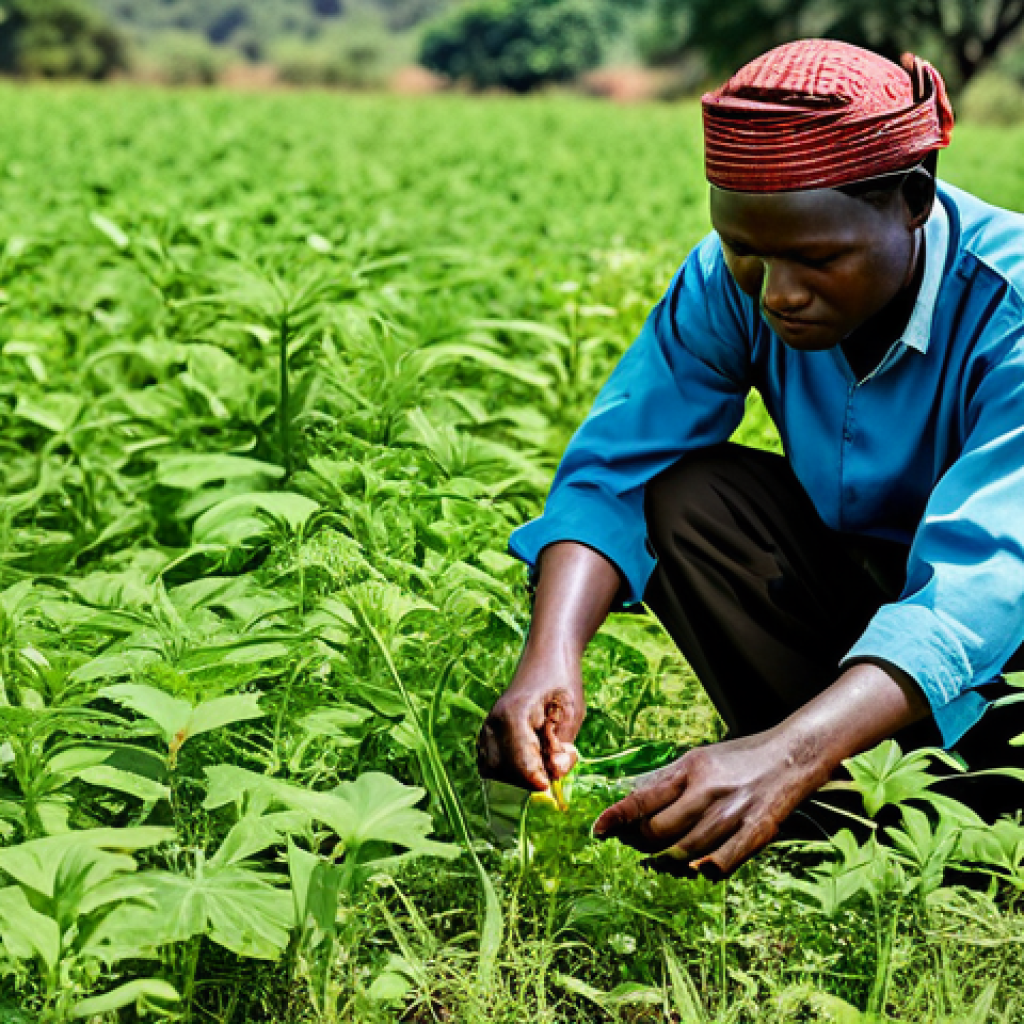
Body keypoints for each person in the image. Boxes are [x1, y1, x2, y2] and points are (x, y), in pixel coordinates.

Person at [476, 39, 1024, 880]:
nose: (776, 294)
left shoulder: (1009, 307)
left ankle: (849, 786)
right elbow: (617, 465)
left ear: (913, 201)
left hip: (1002, 644)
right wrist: (548, 656)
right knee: (688, 492)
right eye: (748, 253)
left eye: (817, 259)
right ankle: (831, 800)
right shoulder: (731, 281)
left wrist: (789, 753)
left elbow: (981, 586)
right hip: (875, 610)